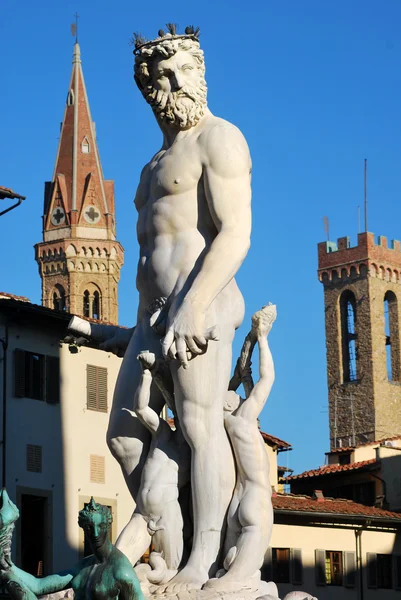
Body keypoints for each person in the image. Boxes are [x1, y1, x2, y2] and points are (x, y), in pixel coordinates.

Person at [107, 25, 252, 590]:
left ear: (199, 74)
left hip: (203, 303)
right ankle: (166, 541)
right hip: (151, 318)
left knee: (199, 424)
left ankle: (205, 558)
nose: (169, 85)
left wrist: (193, 306)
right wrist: (132, 328)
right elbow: (151, 249)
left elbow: (236, 233)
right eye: (157, 79)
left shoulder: (219, 139)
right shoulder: (152, 165)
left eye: (179, 72)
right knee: (122, 437)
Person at [205, 305, 276, 592]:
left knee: (225, 570)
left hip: (235, 502)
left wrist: (242, 365)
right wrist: (263, 338)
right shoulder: (246, 419)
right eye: (233, 395)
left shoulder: (225, 422)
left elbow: (242, 380)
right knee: (235, 582)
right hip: (256, 501)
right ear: (232, 403)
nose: (237, 395)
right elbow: (266, 379)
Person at [116, 351, 190, 581]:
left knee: (169, 573)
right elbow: (141, 408)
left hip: (167, 515)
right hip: (141, 513)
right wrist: (146, 374)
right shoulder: (163, 434)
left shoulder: (195, 454)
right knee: (116, 564)